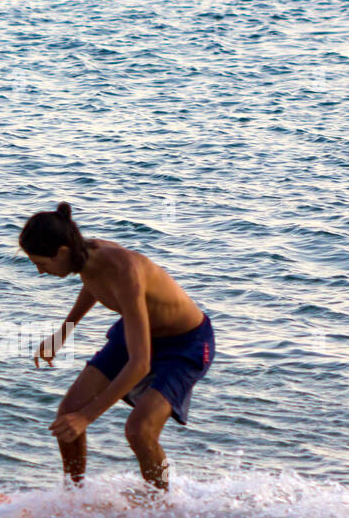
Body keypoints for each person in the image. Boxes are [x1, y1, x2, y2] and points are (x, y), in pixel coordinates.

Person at [19, 201, 215, 491]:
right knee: (67, 413)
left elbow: (140, 364)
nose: (39, 272)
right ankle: (75, 496)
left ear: (62, 252)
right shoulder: (85, 258)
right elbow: (94, 285)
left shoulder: (125, 270)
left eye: (41, 264)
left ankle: (160, 504)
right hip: (139, 330)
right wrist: (63, 334)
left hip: (185, 343)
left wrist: (86, 417)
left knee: (139, 430)